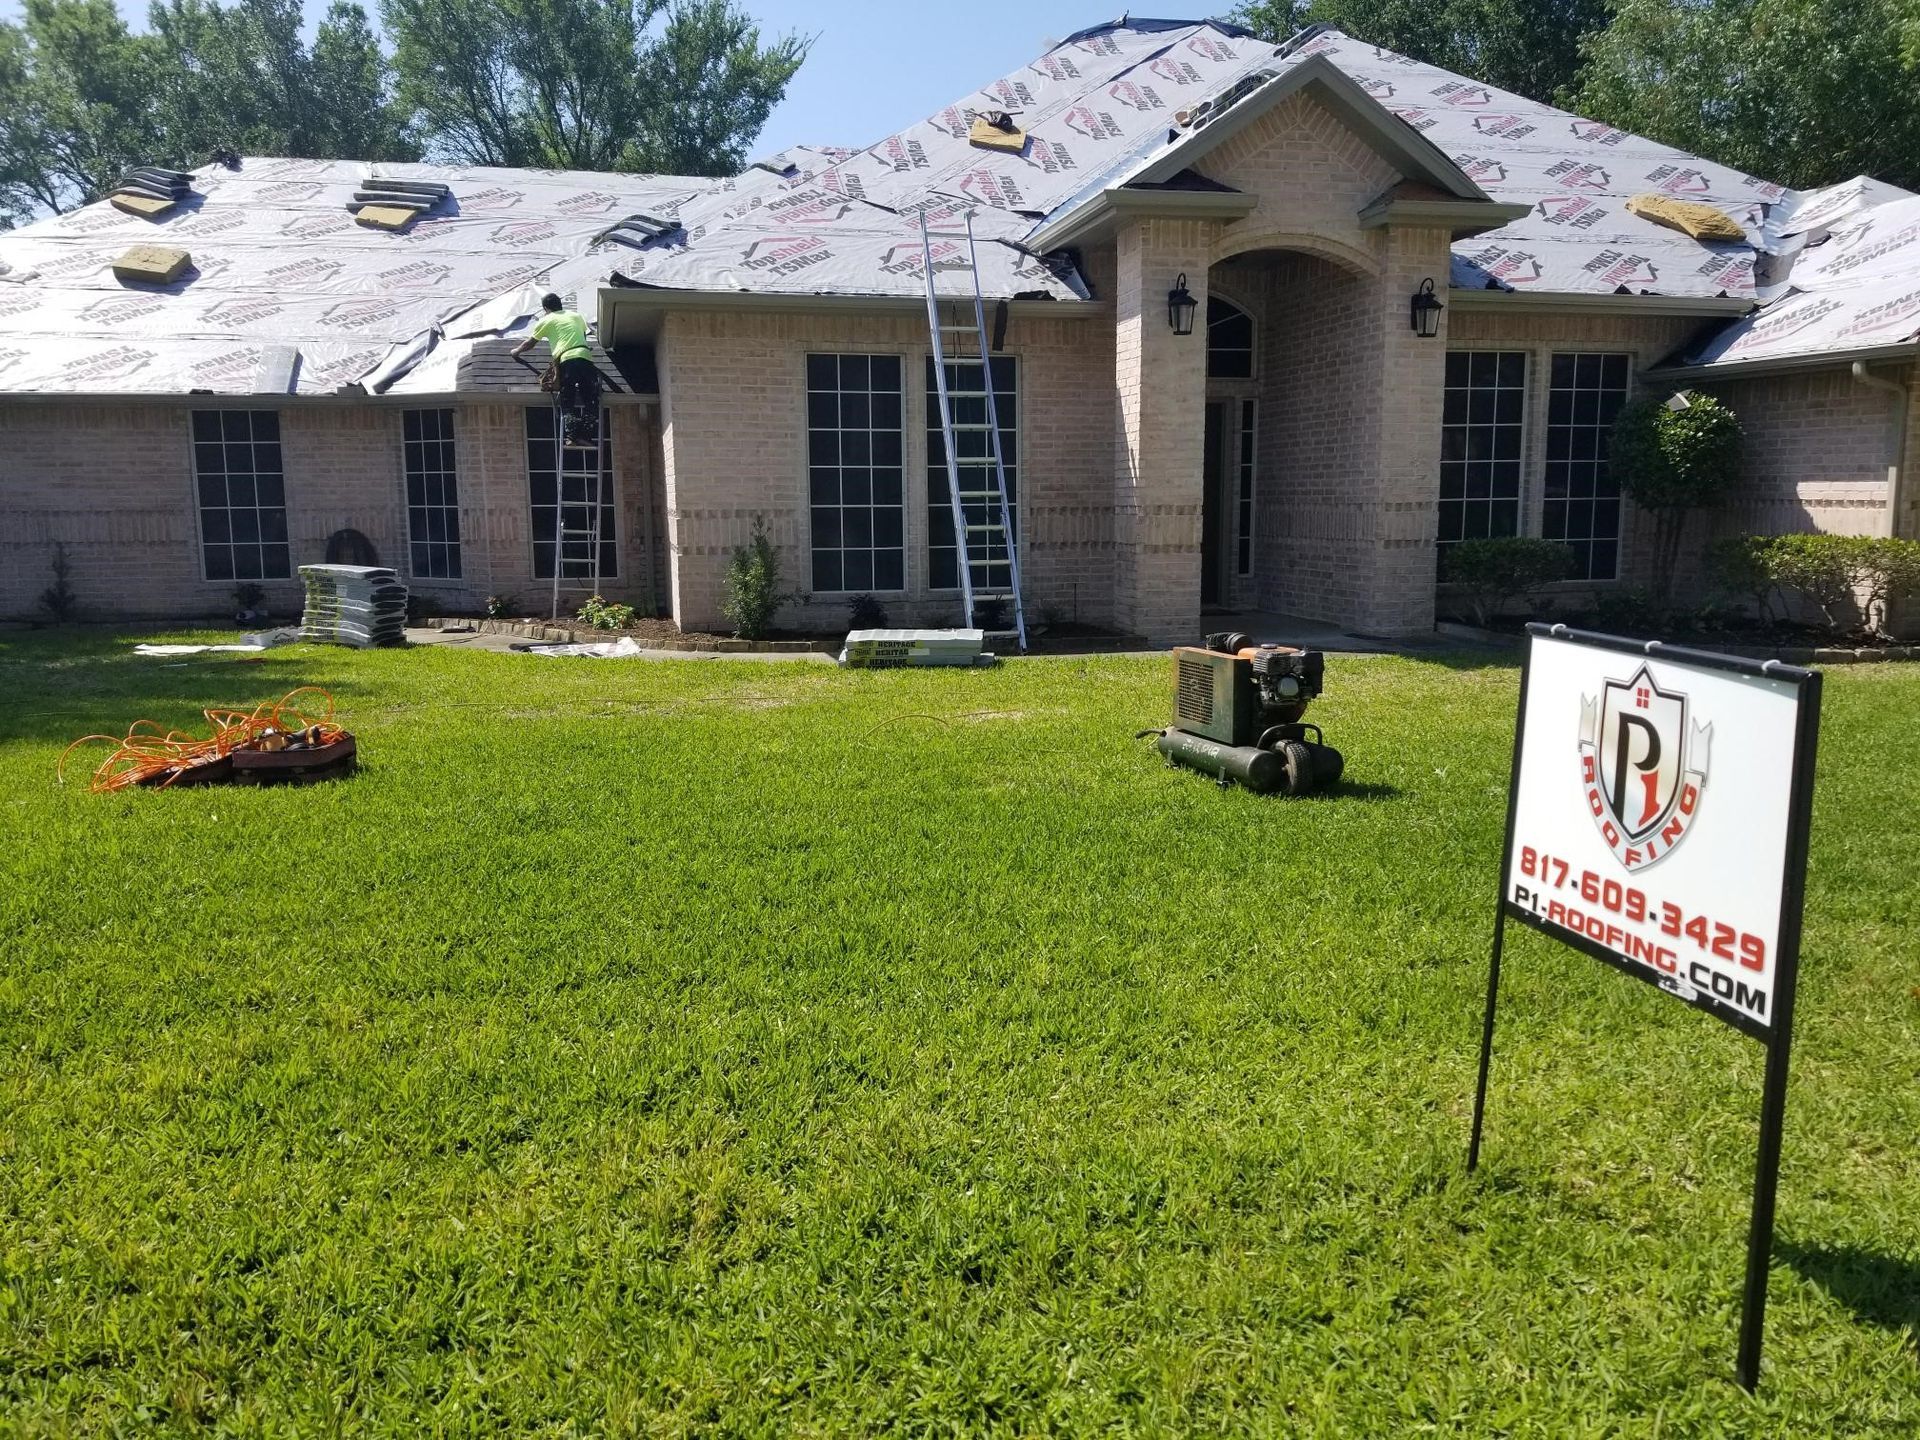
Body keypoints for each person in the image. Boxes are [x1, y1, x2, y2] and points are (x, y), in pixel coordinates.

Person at [512, 292, 600, 447]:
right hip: (586, 358)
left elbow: (530, 343)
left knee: (567, 398)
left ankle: (572, 436)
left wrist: (516, 352)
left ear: (546, 309)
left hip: (567, 359)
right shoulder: (576, 316)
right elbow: (583, 337)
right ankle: (586, 436)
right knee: (590, 399)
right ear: (560, 304)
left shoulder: (547, 320)